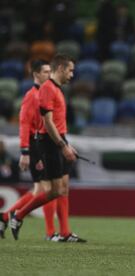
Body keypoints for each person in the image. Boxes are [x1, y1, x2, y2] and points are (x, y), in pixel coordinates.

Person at [8, 54, 86, 243]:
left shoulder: (56, 89)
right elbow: (47, 123)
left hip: (57, 140)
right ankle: (18, 216)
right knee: (53, 191)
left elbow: (57, 123)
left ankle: (64, 232)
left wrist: (67, 143)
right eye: (70, 70)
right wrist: (62, 146)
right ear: (60, 68)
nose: (72, 74)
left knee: (61, 189)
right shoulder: (47, 90)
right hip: (49, 143)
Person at [0, 60, 60, 240]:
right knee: (47, 190)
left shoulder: (43, 93)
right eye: (45, 72)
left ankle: (5, 216)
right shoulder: (31, 96)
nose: (49, 75)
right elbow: (25, 125)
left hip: (40, 144)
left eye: (50, 72)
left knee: (39, 190)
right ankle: (50, 233)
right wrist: (25, 152)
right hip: (35, 146)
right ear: (35, 74)